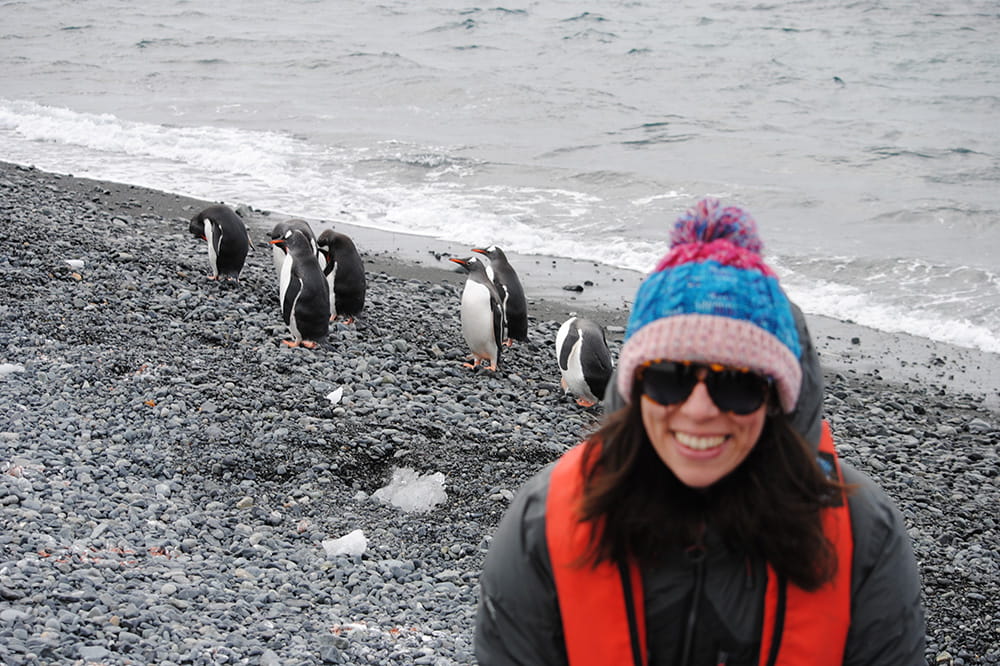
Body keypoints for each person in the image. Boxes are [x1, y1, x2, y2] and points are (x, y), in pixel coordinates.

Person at [474, 199, 925, 665]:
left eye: (737, 383)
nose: (700, 409)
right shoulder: (544, 523)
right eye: (671, 376)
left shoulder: (865, 538)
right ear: (634, 387)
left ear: (779, 400)